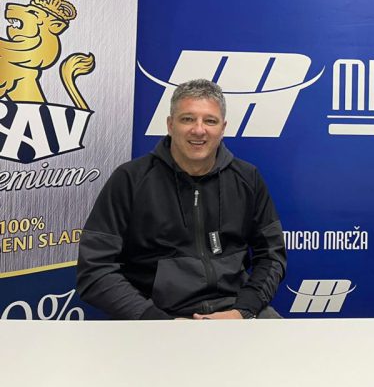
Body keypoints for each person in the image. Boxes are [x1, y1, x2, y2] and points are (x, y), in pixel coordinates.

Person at [77, 79, 286, 320]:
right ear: (170, 124)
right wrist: (158, 320)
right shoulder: (130, 179)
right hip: (156, 317)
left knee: (287, 342)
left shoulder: (247, 178)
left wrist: (242, 311)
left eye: (210, 121)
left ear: (223, 128)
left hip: (233, 311)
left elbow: (271, 255)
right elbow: (95, 269)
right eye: (188, 119)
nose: (199, 130)